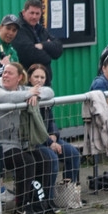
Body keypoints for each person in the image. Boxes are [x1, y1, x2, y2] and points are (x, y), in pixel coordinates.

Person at [0, 62, 56, 214]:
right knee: (26, 162)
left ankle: (39, 201)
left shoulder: (24, 90)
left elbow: (49, 92)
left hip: (19, 144)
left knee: (45, 159)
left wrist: (35, 94)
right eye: (4, 72)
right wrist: (29, 94)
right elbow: (7, 97)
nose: (5, 75)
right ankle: (22, 205)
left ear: (19, 77)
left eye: (10, 73)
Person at [28, 63, 81, 196]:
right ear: (29, 78)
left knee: (73, 154)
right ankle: (49, 198)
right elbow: (35, 128)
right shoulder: (27, 96)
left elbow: (51, 120)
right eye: (36, 77)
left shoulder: (46, 95)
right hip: (35, 141)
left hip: (49, 139)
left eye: (42, 77)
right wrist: (49, 142)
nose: (39, 80)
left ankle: (68, 195)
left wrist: (54, 134)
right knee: (52, 158)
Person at [12, 0, 63, 83]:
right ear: (24, 12)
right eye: (31, 13)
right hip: (27, 83)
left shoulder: (40, 29)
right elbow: (29, 54)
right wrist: (49, 55)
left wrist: (43, 45)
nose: (34, 17)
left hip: (45, 81)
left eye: (37, 13)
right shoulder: (18, 29)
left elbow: (58, 49)